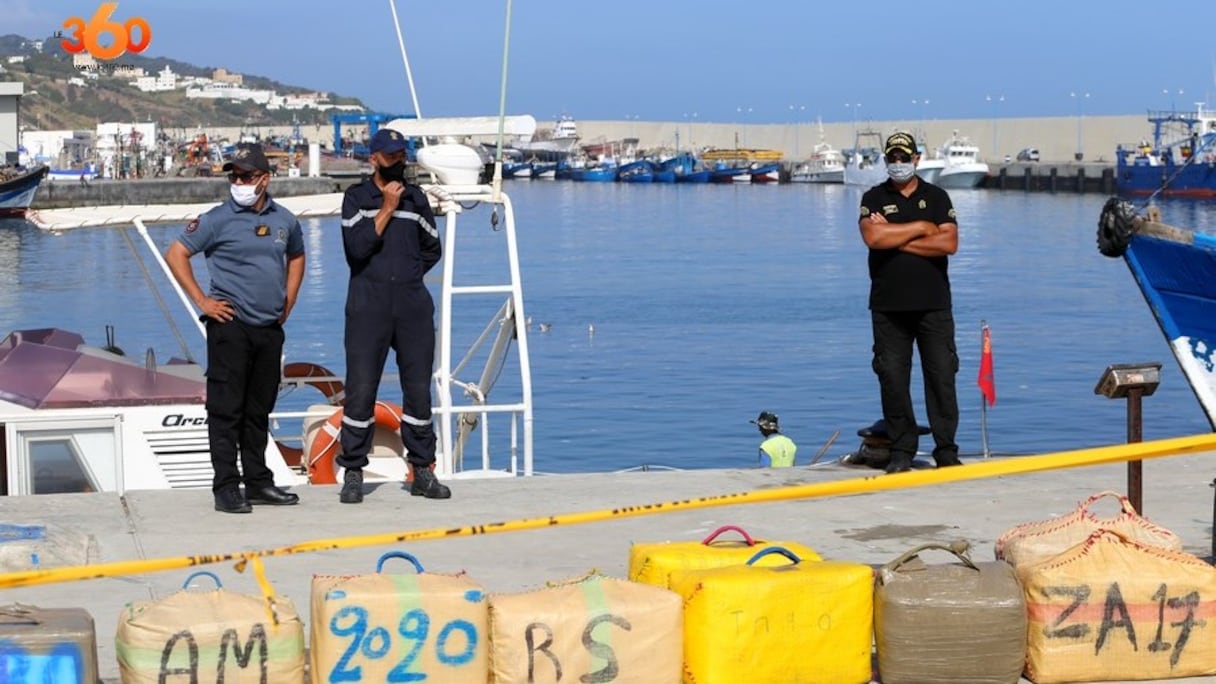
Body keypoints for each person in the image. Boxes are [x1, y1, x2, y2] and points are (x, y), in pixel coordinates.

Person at [165, 142, 306, 513]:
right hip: (230, 325)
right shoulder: (215, 219)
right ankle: (226, 486)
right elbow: (176, 253)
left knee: (259, 409)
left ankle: (259, 482)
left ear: (264, 179)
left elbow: (296, 255)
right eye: (234, 176)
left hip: (269, 327)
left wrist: (288, 301)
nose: (238, 181)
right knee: (226, 410)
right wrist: (203, 301)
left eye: (246, 175)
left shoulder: (285, 220)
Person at [337, 128, 450, 503]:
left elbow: (432, 249)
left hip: (412, 307)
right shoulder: (356, 199)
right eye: (390, 157)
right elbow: (357, 249)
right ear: (373, 159)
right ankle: (353, 472)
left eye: (402, 155)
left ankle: (422, 471)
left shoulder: (417, 199)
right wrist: (385, 208)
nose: (398, 163)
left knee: (418, 391)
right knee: (361, 389)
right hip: (368, 307)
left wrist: (408, 276)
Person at [857, 131, 963, 474]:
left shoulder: (937, 196)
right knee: (891, 377)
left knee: (942, 376)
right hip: (888, 307)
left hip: (933, 305)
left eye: (905, 157)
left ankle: (946, 451)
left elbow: (948, 244)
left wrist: (896, 237)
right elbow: (873, 237)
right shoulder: (874, 198)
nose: (899, 163)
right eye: (893, 158)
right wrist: (921, 227)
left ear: (916, 159)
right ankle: (901, 451)